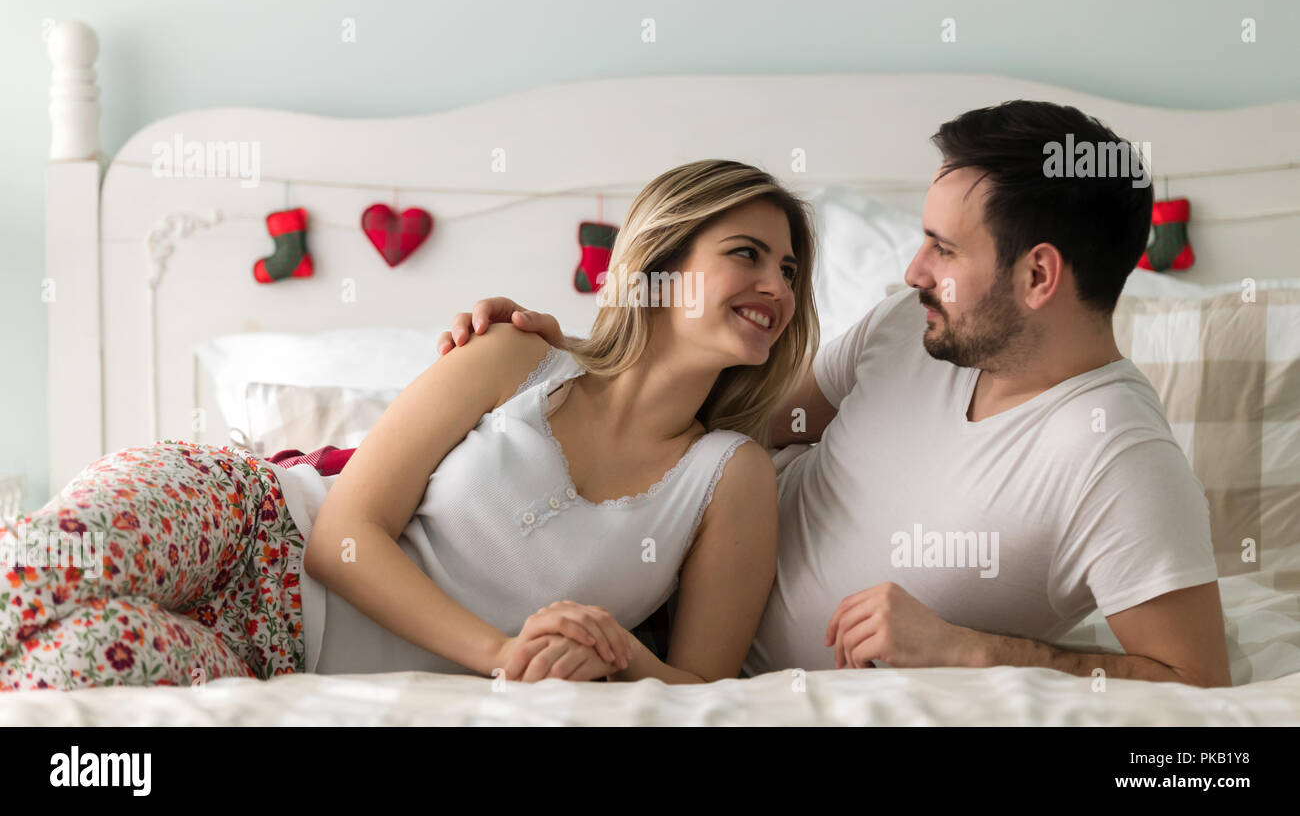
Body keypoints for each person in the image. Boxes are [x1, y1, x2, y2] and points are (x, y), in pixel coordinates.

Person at [441, 100, 1233, 688]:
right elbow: (732, 417)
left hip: (691, 675)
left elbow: (1196, 684)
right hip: (622, 574)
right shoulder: (909, 328)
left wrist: (970, 650)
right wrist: (575, 355)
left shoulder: (1118, 457)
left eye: (943, 248)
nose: (912, 269)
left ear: (1038, 277)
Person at [0, 160, 818, 689]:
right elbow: (341, 536)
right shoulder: (515, 357)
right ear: (661, 265)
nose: (775, 286)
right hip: (251, 520)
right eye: (746, 254)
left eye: (788, 270)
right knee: (41, 572)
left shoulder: (728, 475)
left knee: (54, 674)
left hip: (279, 660)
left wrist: (618, 657)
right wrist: (502, 657)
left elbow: (705, 691)